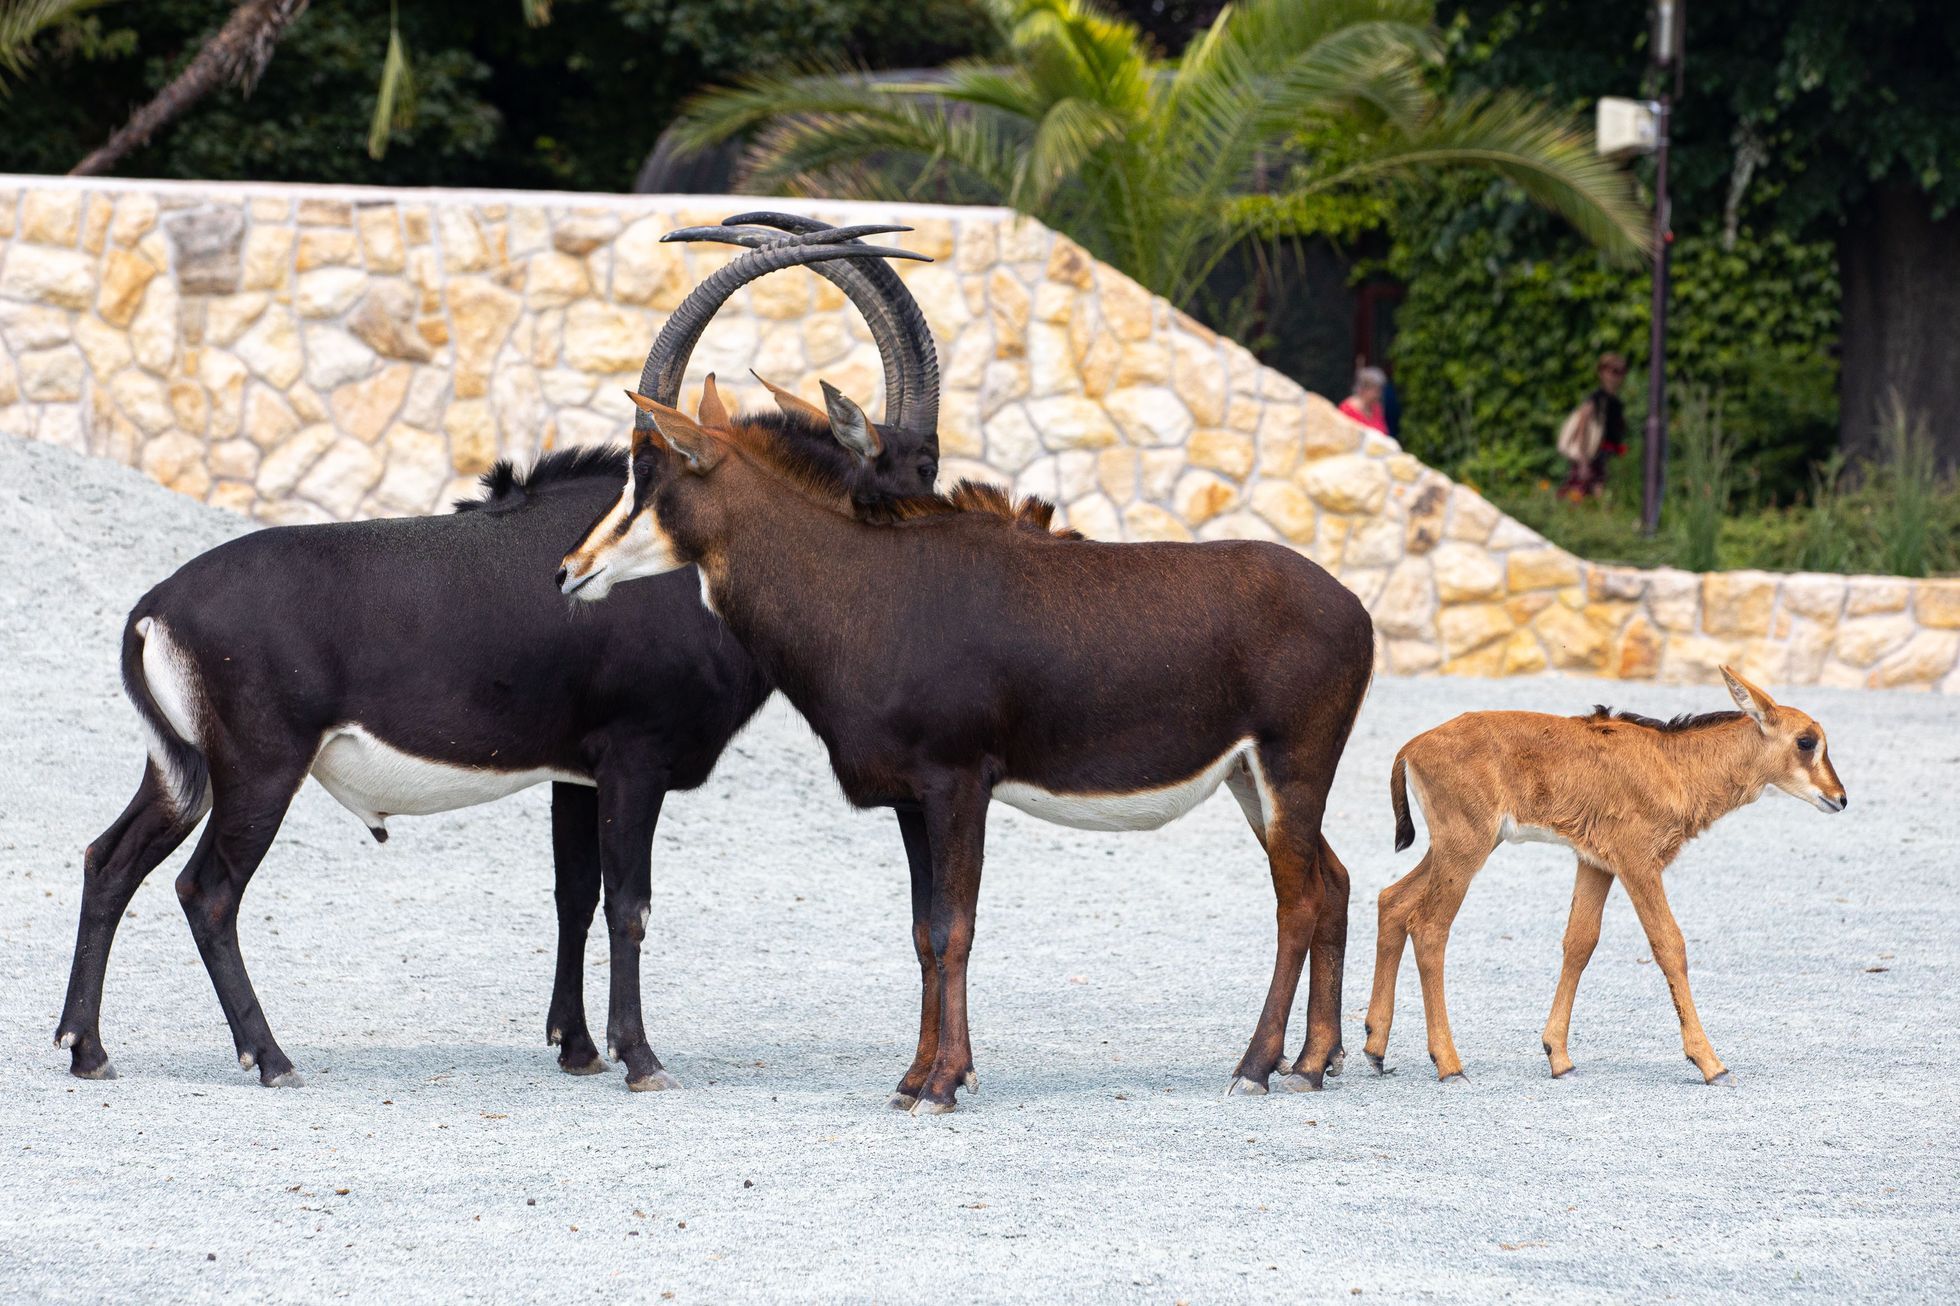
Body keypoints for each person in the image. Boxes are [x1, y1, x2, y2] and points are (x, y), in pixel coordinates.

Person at [1557, 352, 1630, 499]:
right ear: (1602, 372)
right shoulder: (1597, 398)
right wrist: (1583, 458)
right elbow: (1583, 423)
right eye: (1614, 371)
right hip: (1592, 453)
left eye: (1622, 372)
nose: (1618, 377)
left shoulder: (1615, 402)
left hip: (1606, 455)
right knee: (1579, 489)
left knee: (1597, 491)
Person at [1339, 365, 1390, 434]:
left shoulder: (1377, 408)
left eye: (1380, 390)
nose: (1379, 395)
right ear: (1364, 389)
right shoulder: (1347, 409)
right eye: (1376, 391)